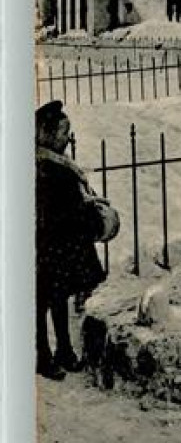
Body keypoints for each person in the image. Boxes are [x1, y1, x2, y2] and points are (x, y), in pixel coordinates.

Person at [36, 101, 108, 380]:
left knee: (58, 297)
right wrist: (88, 212)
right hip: (47, 245)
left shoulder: (54, 164)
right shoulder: (46, 167)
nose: (68, 139)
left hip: (56, 244)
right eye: (64, 133)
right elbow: (61, 209)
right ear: (48, 134)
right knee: (42, 301)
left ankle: (64, 351)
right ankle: (42, 356)